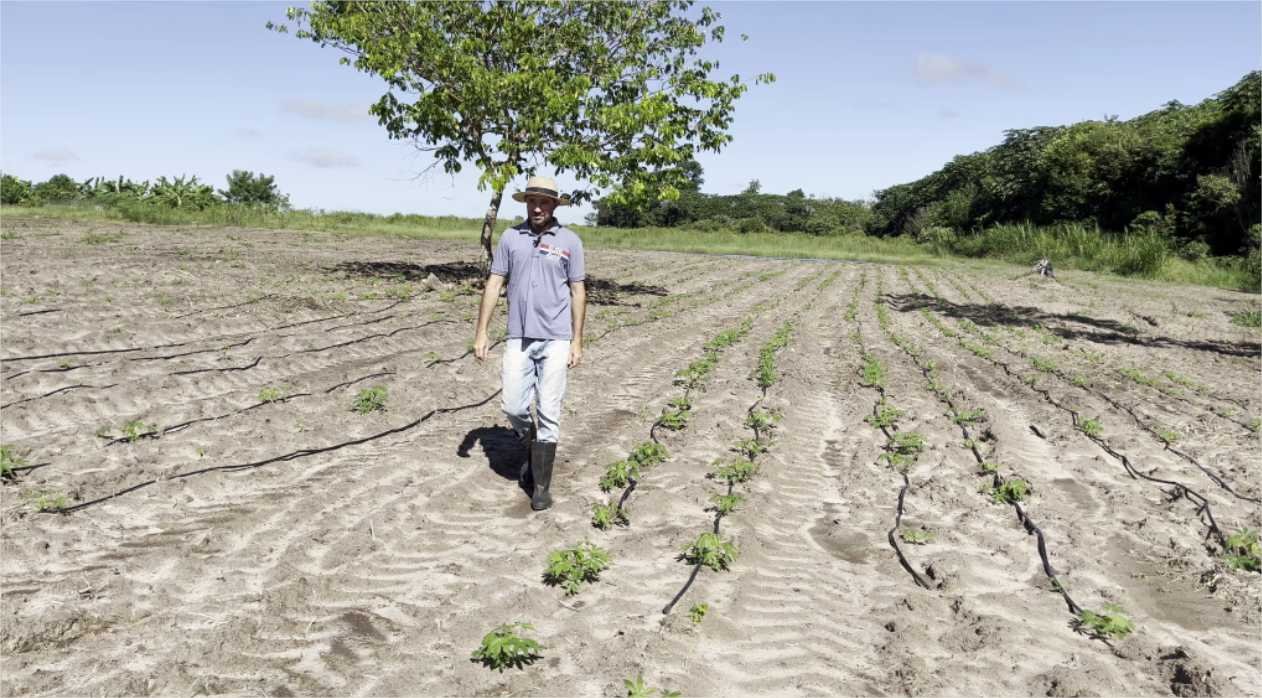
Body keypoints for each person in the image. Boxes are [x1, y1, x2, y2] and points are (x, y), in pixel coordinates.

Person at [473, 175, 587, 511]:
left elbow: (578, 291)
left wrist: (577, 341)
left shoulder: (570, 241)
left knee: (549, 409)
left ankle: (540, 486)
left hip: (556, 339)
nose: (537, 208)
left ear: (554, 205)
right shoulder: (511, 238)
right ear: (526, 203)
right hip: (518, 336)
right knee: (512, 406)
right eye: (532, 201)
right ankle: (530, 441)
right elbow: (495, 283)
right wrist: (481, 331)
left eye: (544, 202)